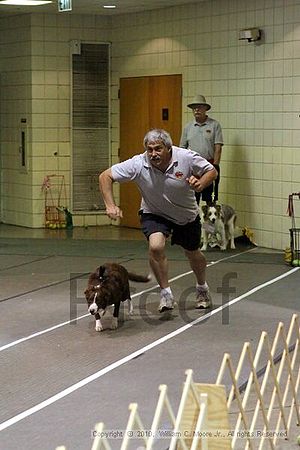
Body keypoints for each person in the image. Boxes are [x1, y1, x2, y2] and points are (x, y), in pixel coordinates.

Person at [99, 128, 217, 313]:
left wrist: (201, 183)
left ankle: (202, 287)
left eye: (158, 149)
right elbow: (105, 176)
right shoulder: (138, 163)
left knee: (193, 253)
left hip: (185, 215)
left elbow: (211, 171)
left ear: (168, 148)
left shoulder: (186, 157)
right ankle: (166, 293)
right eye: (150, 149)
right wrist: (110, 205)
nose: (153, 154)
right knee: (156, 246)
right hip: (154, 212)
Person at [180, 94, 223, 205]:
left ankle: (210, 222)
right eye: (194, 108)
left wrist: (216, 166)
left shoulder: (214, 125)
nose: (197, 110)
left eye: (199, 107)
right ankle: (195, 221)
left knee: (210, 200)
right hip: (192, 168)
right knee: (193, 199)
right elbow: (182, 149)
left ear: (205, 109)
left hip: (209, 166)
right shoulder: (188, 127)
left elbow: (218, 147)